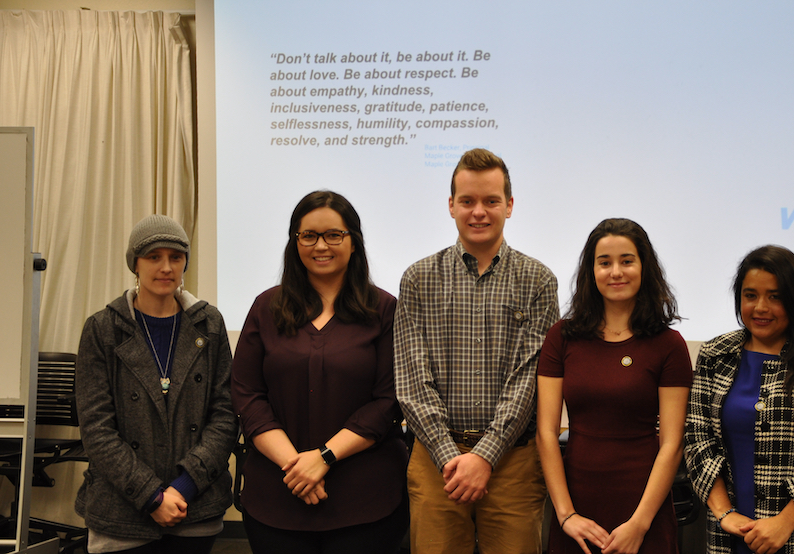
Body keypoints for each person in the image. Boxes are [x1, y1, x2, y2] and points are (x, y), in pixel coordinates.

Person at [394, 148, 560, 554]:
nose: (479, 212)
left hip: (513, 463)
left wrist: (484, 456)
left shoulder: (538, 280)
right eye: (467, 201)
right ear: (451, 206)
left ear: (509, 205)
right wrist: (451, 456)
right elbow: (412, 381)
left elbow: (529, 379)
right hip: (437, 462)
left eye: (491, 201)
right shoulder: (418, 279)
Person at [231, 190, 407, 554]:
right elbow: (247, 394)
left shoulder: (384, 309)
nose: (320, 245)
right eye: (308, 235)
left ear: (353, 242)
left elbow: (389, 400)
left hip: (366, 500)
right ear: (295, 242)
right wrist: (297, 466)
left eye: (333, 235)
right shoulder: (266, 307)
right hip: (278, 492)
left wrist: (324, 457)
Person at [684, 245, 794, 554]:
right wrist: (724, 513)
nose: (760, 307)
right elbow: (697, 438)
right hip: (731, 535)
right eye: (750, 295)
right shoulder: (715, 355)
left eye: (775, 296)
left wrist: (784, 522)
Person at [75, 214, 237, 554]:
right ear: (135, 263)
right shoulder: (103, 329)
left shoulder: (209, 324)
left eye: (175, 257)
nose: (166, 267)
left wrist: (184, 486)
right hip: (122, 511)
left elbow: (225, 416)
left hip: (193, 507)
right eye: (154, 257)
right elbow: (96, 428)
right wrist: (150, 496)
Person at [536, 218, 692, 554]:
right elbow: (546, 433)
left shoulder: (669, 344)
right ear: (591, 271)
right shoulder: (561, 337)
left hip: (644, 507)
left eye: (627, 260)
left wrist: (640, 523)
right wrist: (566, 515)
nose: (615, 272)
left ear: (644, 267)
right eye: (604, 263)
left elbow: (673, 443)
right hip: (576, 505)